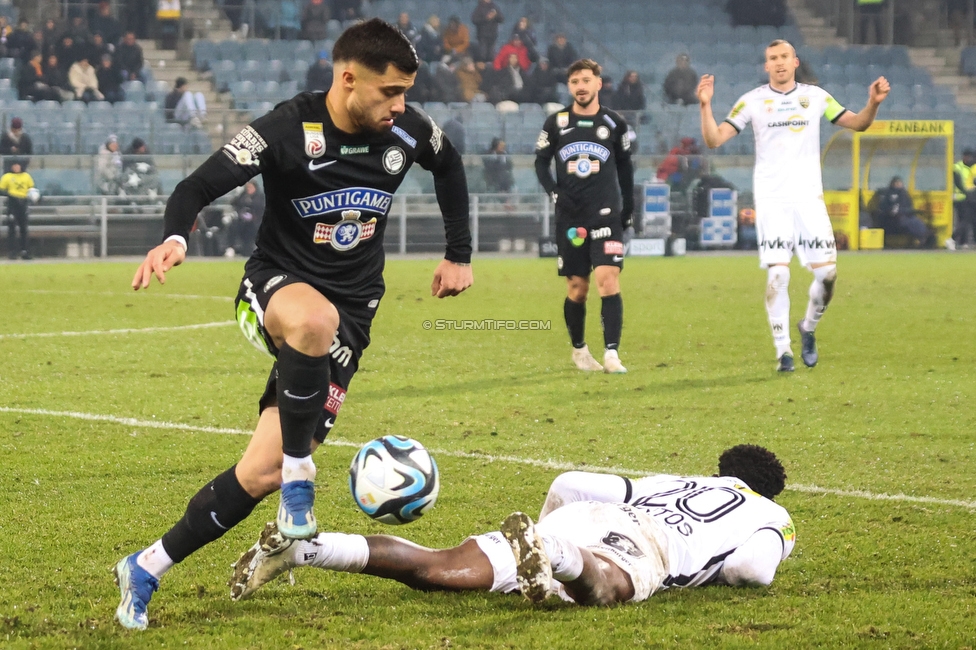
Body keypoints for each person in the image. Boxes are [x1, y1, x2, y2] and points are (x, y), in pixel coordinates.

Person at [115, 18, 473, 632]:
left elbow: (451, 165)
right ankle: (301, 484)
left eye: (407, 92)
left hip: (352, 318)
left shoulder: (408, 131)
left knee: (260, 471)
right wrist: (175, 236)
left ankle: (146, 566)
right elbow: (197, 185)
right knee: (312, 320)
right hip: (274, 289)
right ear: (348, 78)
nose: (402, 106)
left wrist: (458, 252)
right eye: (390, 93)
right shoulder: (288, 127)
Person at [230, 445, 795, 607]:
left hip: (586, 516)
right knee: (609, 589)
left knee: (439, 566)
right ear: (765, 489)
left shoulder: (676, 479)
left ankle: (308, 550)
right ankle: (557, 555)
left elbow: (573, 480)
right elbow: (750, 568)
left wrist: (558, 526)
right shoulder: (771, 514)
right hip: (639, 545)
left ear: (721, 471)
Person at [698, 39, 889, 371]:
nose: (779, 62)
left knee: (828, 275)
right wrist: (705, 105)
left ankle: (808, 328)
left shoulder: (816, 98)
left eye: (784, 56)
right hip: (772, 202)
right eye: (773, 58)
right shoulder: (752, 101)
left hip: (808, 200)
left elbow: (858, 124)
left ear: (795, 62)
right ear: (766, 66)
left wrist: (872, 103)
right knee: (778, 276)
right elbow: (714, 139)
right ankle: (782, 350)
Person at [535, 59, 634, 374]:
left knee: (609, 280)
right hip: (570, 218)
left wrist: (628, 207)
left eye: (586, 80)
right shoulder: (556, 122)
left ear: (598, 84)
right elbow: (540, 163)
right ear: (570, 86)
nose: (581, 86)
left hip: (605, 215)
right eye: (575, 81)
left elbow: (626, 167)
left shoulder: (614, 123)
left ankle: (612, 354)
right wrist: (554, 192)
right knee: (578, 288)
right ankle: (579, 350)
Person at [872, 176, 934, 247]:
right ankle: (923, 237)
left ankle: (924, 236)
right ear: (892, 183)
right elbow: (884, 209)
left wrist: (913, 211)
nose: (898, 184)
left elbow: (908, 207)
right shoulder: (887, 194)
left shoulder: (904, 194)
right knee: (908, 221)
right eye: (896, 183)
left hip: (905, 216)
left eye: (899, 182)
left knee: (915, 220)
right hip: (891, 219)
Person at [0, 161, 37, 260]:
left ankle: (25, 251)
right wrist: (9, 194)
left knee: (24, 228)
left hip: (23, 203)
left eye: (17, 165)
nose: (16, 167)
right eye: (14, 165)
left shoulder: (26, 176)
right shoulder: (7, 176)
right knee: (12, 228)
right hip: (12, 203)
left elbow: (32, 189)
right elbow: (1, 189)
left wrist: (33, 197)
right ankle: (12, 252)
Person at [951, 148, 976, 249]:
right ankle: (956, 240)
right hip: (960, 197)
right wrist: (966, 192)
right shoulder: (957, 167)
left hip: (971, 198)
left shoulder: (973, 167)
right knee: (963, 220)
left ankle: (964, 242)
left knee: (970, 219)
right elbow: (957, 182)